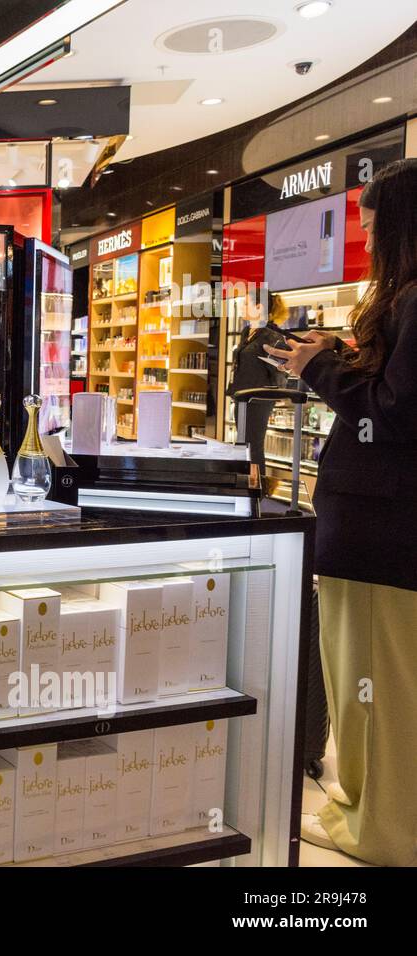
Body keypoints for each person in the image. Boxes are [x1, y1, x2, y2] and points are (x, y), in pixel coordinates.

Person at [266, 157, 417, 867]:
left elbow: (394, 414)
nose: (361, 228)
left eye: (370, 217)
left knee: (374, 689)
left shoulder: (415, 300)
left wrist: (321, 370)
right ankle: (363, 809)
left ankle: (380, 828)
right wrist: (344, 357)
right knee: (371, 683)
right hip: (379, 529)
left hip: (382, 531)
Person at [227, 288, 286, 464]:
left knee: (253, 446)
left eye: (246, 303)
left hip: (259, 399)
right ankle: (246, 484)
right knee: (242, 445)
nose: (242, 307)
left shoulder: (271, 335)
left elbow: (281, 368)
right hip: (242, 396)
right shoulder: (247, 332)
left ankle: (257, 487)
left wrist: (276, 392)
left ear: (259, 307)